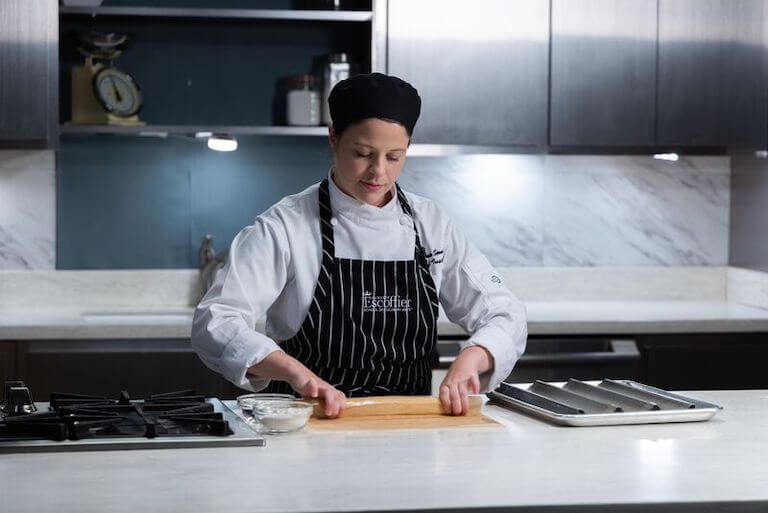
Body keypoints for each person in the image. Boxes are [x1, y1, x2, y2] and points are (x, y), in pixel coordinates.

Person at [192, 73, 527, 418]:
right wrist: (293, 372)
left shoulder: (431, 224)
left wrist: (475, 355)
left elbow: (505, 313)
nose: (378, 172)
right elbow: (216, 320)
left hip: (406, 432)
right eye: (363, 153)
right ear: (334, 138)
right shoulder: (286, 226)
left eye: (394, 156)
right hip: (308, 427)